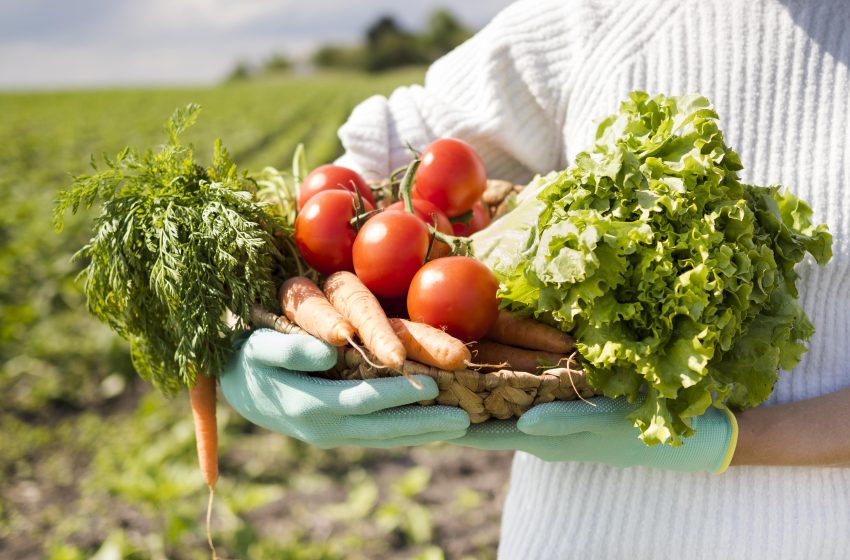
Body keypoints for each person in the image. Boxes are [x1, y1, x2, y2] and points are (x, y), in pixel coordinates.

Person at [222, 0, 850, 557]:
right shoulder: (602, 15)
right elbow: (368, 172)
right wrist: (239, 323)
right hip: (576, 538)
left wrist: (721, 440)